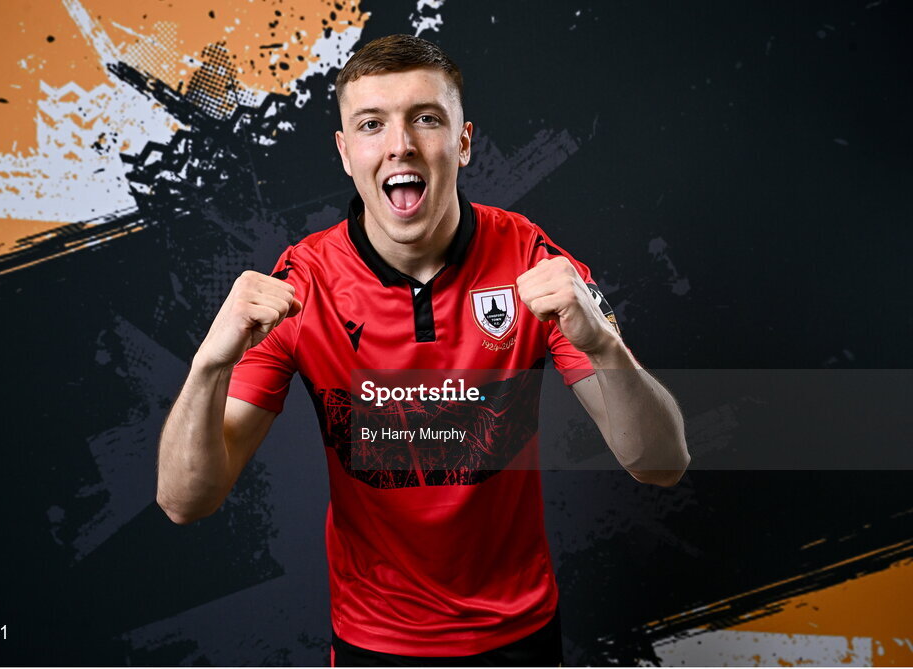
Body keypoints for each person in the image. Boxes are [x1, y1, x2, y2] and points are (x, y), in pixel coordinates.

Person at [157, 34, 690, 666]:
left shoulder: (531, 260)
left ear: (463, 142)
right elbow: (185, 500)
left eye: (426, 119)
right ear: (346, 152)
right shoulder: (301, 285)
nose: (400, 145)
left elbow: (661, 463)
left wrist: (604, 347)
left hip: (518, 640)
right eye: (372, 124)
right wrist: (207, 367)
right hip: (374, 645)